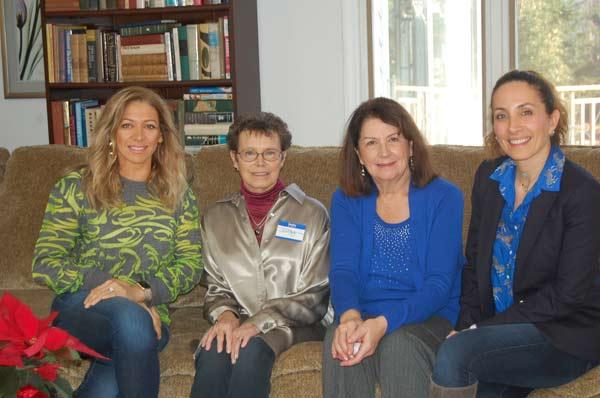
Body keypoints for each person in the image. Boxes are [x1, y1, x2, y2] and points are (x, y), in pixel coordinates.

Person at [431, 70, 600, 398]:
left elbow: (568, 295)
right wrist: (465, 325)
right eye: (501, 116)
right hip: (499, 333)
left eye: (526, 112)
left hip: (564, 334)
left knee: (455, 354)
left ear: (552, 120)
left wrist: (481, 332)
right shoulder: (488, 179)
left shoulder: (583, 193)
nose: (513, 127)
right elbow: (474, 267)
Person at [32, 86, 203, 398]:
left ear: (161, 136)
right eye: (127, 125)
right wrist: (126, 294)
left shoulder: (178, 195)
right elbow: (46, 262)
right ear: (111, 133)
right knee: (132, 321)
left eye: (149, 126)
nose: (138, 136)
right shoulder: (76, 187)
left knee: (127, 342)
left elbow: (191, 266)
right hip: (81, 306)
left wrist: (142, 293)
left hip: (150, 317)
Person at [323, 97, 465, 398]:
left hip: (428, 317)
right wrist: (350, 318)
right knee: (341, 341)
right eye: (372, 142)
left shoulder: (445, 197)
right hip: (363, 313)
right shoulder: (346, 199)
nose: (384, 152)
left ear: (410, 146)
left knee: (399, 345)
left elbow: (439, 285)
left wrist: (383, 324)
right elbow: (343, 270)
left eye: (393, 139)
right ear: (359, 154)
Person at [189, 112, 330, 398]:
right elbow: (216, 287)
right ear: (234, 158)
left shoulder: (313, 214)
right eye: (250, 153)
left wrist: (258, 322)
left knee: (251, 349)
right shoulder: (215, 217)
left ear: (283, 157)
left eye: (269, 153)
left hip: (299, 324)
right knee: (214, 351)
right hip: (238, 319)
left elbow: (316, 296)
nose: (260, 163)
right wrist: (226, 316)